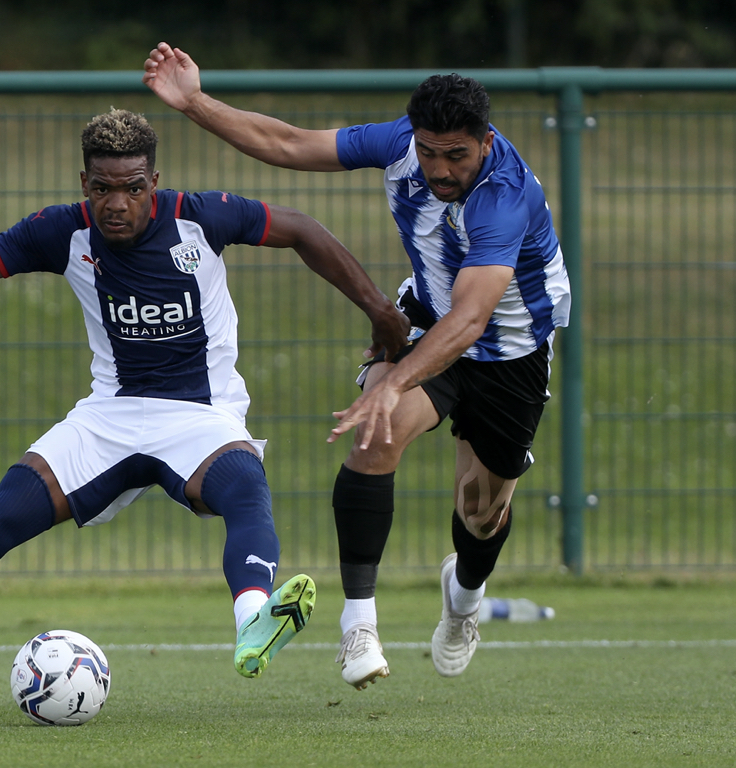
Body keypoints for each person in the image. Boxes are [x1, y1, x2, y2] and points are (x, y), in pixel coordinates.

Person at [0, 108, 405, 722]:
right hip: (109, 416)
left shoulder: (202, 216)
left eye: (133, 187)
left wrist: (376, 308)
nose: (117, 203)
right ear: (84, 184)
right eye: (103, 188)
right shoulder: (61, 232)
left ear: (154, 181)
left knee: (244, 487)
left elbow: (304, 230)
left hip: (199, 414)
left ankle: (253, 621)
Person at [144, 44, 571, 689]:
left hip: (508, 348)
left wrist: (396, 379)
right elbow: (287, 144)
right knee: (379, 431)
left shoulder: (505, 197)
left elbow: (472, 321)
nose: (438, 168)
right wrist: (195, 102)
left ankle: (463, 601)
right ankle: (358, 627)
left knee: (482, 510)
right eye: (429, 151)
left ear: (484, 143)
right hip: (428, 318)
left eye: (455, 154)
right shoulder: (399, 143)